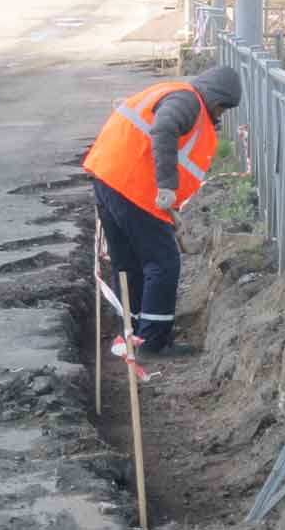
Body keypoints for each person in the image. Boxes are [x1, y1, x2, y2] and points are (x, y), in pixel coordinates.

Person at [84, 66, 241, 357]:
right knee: (164, 262)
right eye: (223, 107)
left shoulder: (176, 94)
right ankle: (153, 342)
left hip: (110, 177)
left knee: (128, 262)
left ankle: (131, 334)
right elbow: (165, 129)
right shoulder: (187, 101)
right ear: (215, 96)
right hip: (136, 188)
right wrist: (167, 186)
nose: (221, 114)